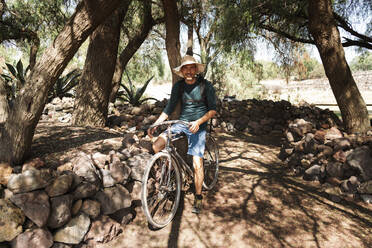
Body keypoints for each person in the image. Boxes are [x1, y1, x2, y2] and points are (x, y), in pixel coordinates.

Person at [148, 55, 217, 214]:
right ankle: (172, 175)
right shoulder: (179, 86)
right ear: (182, 71)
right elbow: (170, 107)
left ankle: (198, 197)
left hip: (198, 126)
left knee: (197, 163)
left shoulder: (206, 86)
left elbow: (212, 110)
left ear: (196, 69)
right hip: (182, 123)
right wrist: (156, 123)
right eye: (185, 68)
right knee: (157, 145)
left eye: (192, 68)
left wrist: (199, 122)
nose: (189, 71)